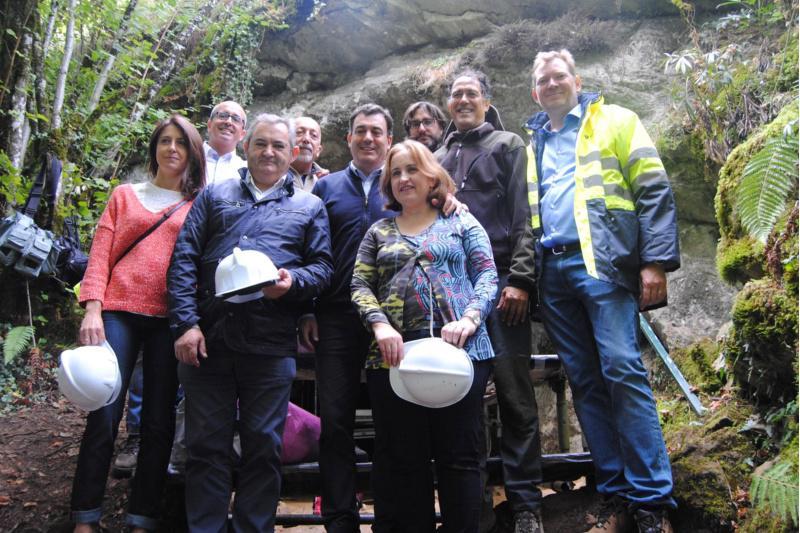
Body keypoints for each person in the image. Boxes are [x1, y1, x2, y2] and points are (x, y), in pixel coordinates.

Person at [524, 49, 680, 533]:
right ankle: (614, 491)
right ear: (534, 91)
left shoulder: (615, 119)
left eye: (558, 76)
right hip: (553, 272)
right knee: (585, 380)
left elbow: (653, 189)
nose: (551, 84)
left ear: (576, 79)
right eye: (542, 80)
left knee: (621, 368)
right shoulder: (535, 143)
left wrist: (654, 262)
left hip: (604, 264)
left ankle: (651, 497)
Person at [168, 113, 333, 531]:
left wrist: (294, 282)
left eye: (279, 145)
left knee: (263, 447)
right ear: (246, 147)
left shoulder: (309, 206)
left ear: (293, 153)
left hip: (271, 343)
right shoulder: (214, 195)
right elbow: (184, 258)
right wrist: (186, 323)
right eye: (261, 143)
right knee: (207, 448)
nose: (269, 152)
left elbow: (322, 268)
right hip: (208, 339)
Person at [304, 104, 463, 532]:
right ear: (349, 138)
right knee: (335, 421)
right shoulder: (327, 187)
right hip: (337, 315)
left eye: (377, 131)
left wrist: (446, 198)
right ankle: (340, 517)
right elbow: (310, 248)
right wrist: (308, 309)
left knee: (395, 421)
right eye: (360, 132)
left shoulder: (404, 184)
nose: (368, 138)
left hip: (397, 320)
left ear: (388, 139)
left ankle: (392, 516)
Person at [351, 140, 499, 532]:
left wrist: (469, 318)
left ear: (432, 174)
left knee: (460, 457)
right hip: (394, 358)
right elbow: (360, 284)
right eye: (395, 172)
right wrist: (379, 324)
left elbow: (487, 274)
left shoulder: (461, 221)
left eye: (411, 169)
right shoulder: (378, 231)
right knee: (404, 460)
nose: (403, 178)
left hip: (462, 352)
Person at [71, 114, 206, 532]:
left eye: (180, 143)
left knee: (159, 420)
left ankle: (142, 516)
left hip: (169, 318)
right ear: (154, 149)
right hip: (118, 312)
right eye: (164, 141)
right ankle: (84, 516)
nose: (171, 149)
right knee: (104, 412)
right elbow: (100, 255)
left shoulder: (200, 203)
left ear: (192, 152)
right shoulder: (124, 195)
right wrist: (92, 307)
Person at [436, 69, 544, 533]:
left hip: (501, 287)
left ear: (486, 100)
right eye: (456, 94)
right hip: (449, 295)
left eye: (471, 94)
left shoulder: (508, 145)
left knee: (515, 395)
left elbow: (525, 215)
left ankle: (525, 506)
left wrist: (520, 279)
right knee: (458, 400)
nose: (463, 100)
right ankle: (471, 508)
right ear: (447, 103)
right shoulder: (436, 157)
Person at [204, 100, 247, 184]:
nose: (228, 122)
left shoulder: (247, 172)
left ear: (242, 134)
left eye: (236, 119)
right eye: (223, 115)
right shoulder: (187, 159)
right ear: (209, 125)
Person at [289, 116, 328, 192]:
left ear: (318, 150)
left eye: (313, 135)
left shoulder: (326, 182)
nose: (306, 139)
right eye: (299, 132)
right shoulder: (271, 176)